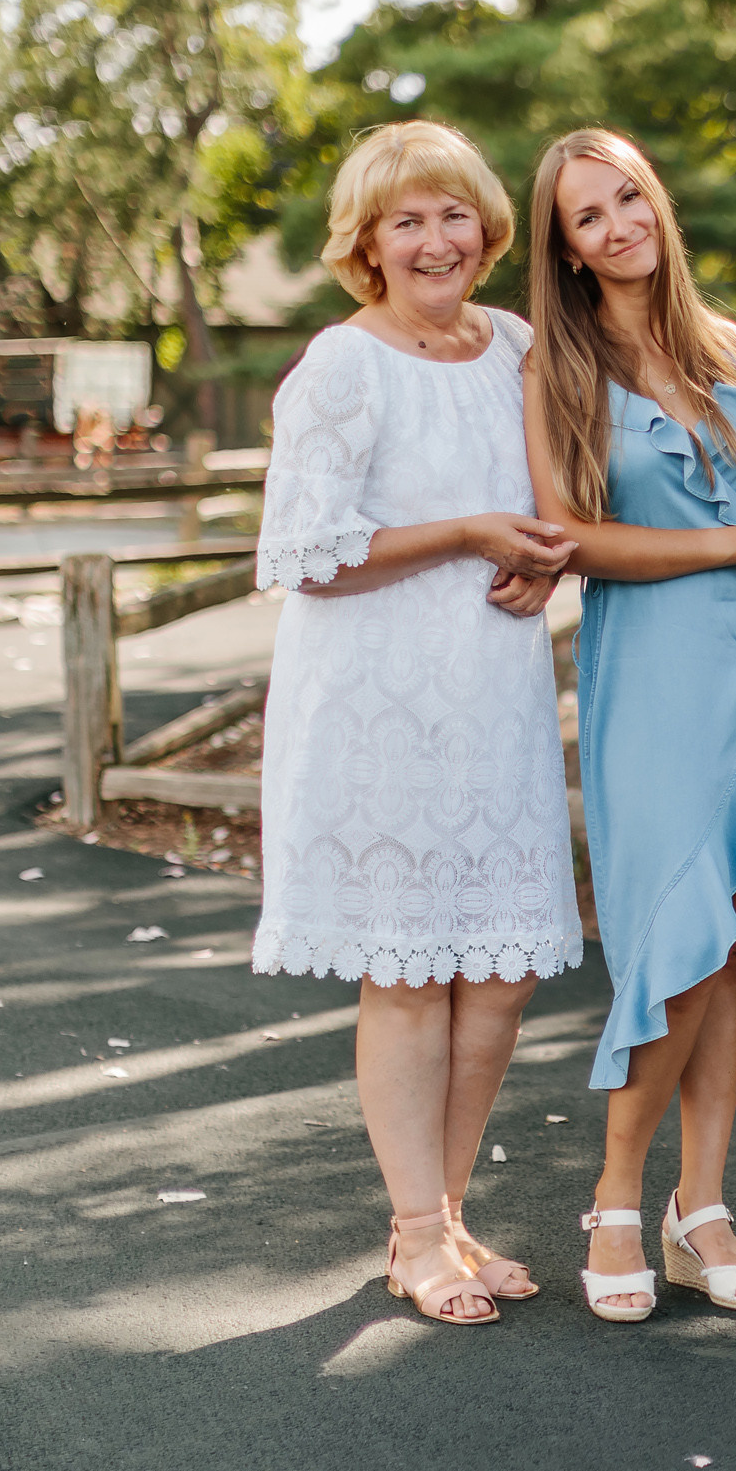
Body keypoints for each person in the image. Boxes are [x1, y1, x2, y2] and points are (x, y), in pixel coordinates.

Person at [520, 129, 736, 1323]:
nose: (618, 226)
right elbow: (574, 540)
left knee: (733, 928)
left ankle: (700, 1206)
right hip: (657, 669)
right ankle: (618, 1200)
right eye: (586, 218)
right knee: (682, 923)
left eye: (627, 199)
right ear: (562, 251)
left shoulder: (729, 347)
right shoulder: (555, 371)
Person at [251, 120, 585, 1327]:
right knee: (409, 975)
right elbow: (305, 553)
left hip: (490, 694)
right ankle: (413, 1231)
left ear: (487, 229)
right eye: (407, 220)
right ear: (369, 244)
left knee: (495, 975)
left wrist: (545, 559)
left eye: (453, 215)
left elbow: (554, 498)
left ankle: (445, 1215)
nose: (435, 239)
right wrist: (466, 532)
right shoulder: (342, 365)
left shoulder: (515, 345)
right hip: (377, 706)